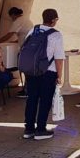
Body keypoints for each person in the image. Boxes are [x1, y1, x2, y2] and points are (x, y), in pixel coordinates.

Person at [23, 9, 65, 140]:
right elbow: (59, 58)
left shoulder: (33, 30)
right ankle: (40, 130)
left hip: (31, 71)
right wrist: (59, 75)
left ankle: (28, 129)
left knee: (32, 99)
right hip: (48, 72)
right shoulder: (56, 35)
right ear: (54, 20)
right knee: (45, 100)